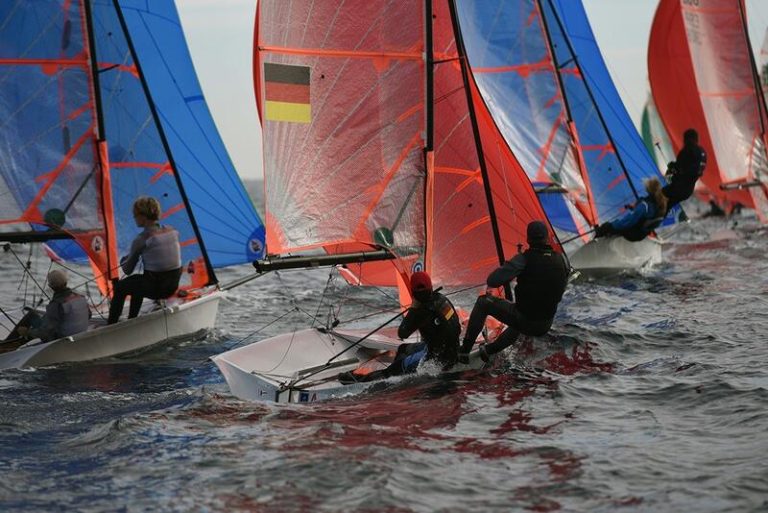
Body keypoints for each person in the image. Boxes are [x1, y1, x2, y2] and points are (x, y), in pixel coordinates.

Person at [458, 221, 568, 364]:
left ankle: (464, 351)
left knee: (483, 302)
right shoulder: (561, 259)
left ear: (528, 239)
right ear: (547, 238)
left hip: (526, 320)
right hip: (545, 324)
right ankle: (489, 350)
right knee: (522, 317)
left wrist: (511, 266)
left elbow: (493, 280)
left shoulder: (524, 259)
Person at [338, 271, 460, 384]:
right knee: (403, 348)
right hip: (451, 350)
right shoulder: (442, 299)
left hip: (437, 360)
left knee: (390, 372)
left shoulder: (422, 311)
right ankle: (401, 364)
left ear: (413, 293)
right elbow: (457, 327)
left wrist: (413, 307)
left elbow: (402, 333)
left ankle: (356, 379)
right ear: (431, 287)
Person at [107, 197, 182, 324]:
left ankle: (111, 324)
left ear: (143, 216)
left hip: (156, 289)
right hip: (172, 286)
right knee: (138, 281)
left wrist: (124, 260)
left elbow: (127, 270)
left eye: (135, 215)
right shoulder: (173, 231)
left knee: (120, 287)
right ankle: (132, 319)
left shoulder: (142, 239)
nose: (134, 218)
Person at [4, 270, 90, 346]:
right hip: (78, 336)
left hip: (60, 340)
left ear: (50, 286)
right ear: (66, 282)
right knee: (42, 319)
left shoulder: (56, 304)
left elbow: (45, 333)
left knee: (31, 315)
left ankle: (7, 344)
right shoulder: (81, 297)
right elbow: (88, 315)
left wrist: (27, 332)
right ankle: (15, 342)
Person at [594, 177, 669, 242]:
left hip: (633, 234)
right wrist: (635, 208)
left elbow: (628, 222)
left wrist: (612, 226)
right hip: (642, 234)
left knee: (607, 226)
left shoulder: (644, 205)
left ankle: (595, 242)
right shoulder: (661, 204)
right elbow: (646, 215)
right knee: (614, 225)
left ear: (648, 190)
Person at [663, 128, 707, 208]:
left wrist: (672, 166)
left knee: (657, 196)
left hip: (678, 187)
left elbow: (679, 167)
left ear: (687, 139)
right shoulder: (702, 152)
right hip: (688, 191)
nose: (683, 141)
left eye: (684, 139)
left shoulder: (688, 150)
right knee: (667, 206)